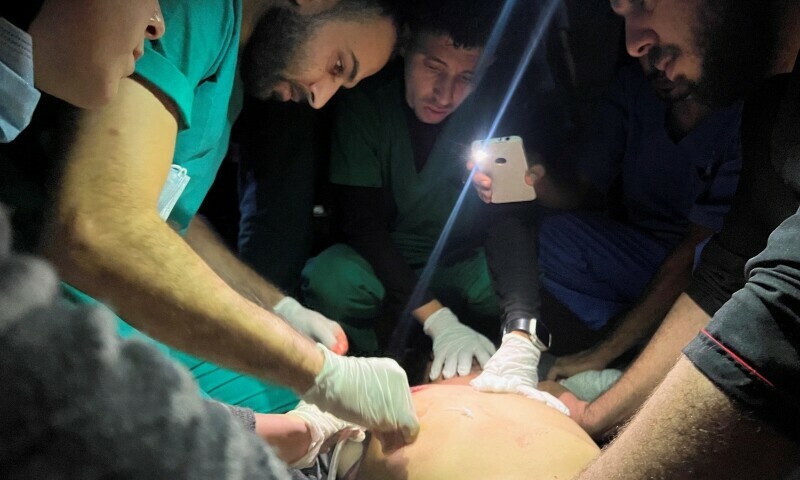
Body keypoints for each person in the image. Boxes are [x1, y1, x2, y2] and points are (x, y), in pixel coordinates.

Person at [31, 0, 419, 448]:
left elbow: (169, 215)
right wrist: (318, 371)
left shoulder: (232, 72)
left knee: (296, 404)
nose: (320, 97)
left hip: (129, 314)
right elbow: (100, 225)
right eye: (337, 65)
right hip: (65, 315)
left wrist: (278, 308)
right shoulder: (197, 13)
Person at [548, 0, 800, 439]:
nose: (633, 44)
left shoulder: (749, 115)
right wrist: (595, 415)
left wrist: (602, 367)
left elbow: (755, 289)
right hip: (652, 257)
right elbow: (723, 272)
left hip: (692, 263)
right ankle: (643, 354)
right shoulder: (766, 101)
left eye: (643, 2)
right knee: (557, 240)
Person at [469, 24, 744, 398]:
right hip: (637, 251)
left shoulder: (742, 115)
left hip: (710, 267)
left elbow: (694, 257)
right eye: (648, 53)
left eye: (672, 52)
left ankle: (639, 358)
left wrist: (595, 358)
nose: (659, 65)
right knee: (553, 239)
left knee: (707, 271)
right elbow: (579, 190)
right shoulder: (637, 90)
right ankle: (635, 338)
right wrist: (534, 178)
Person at [300, 0, 510, 379]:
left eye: (466, 77)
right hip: (381, 256)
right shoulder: (367, 102)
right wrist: (438, 319)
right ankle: (365, 366)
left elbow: (510, 218)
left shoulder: (492, 113)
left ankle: (487, 361)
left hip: (454, 260)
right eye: (433, 67)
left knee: (505, 276)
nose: (445, 95)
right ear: (405, 45)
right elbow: (363, 225)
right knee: (332, 278)